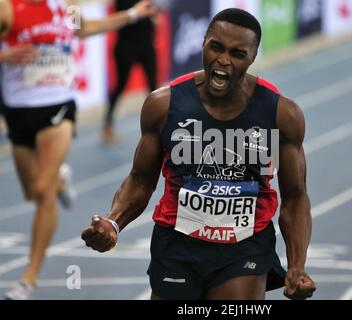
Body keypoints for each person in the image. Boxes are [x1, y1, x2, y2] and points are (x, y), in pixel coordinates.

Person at [82, 8, 316, 300]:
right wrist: (114, 221)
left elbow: (295, 197)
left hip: (245, 245)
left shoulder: (281, 113)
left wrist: (296, 265)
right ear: (203, 42)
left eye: (237, 53)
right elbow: (141, 179)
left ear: (253, 57)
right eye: (216, 47)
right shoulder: (163, 105)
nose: (223, 60)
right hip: (177, 242)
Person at [0, 0, 157, 300]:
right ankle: (59, 176)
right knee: (32, 191)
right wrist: (7, 55)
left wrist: (133, 14)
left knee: (43, 193)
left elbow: (85, 30)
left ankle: (28, 278)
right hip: (19, 112)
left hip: (58, 105)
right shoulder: (8, 8)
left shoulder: (64, 6)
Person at [102, 0, 159, 144]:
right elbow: (121, 16)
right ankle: (107, 126)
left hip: (146, 44)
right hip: (126, 45)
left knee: (154, 88)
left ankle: (160, 126)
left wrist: (155, 16)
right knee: (120, 86)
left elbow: (155, 12)